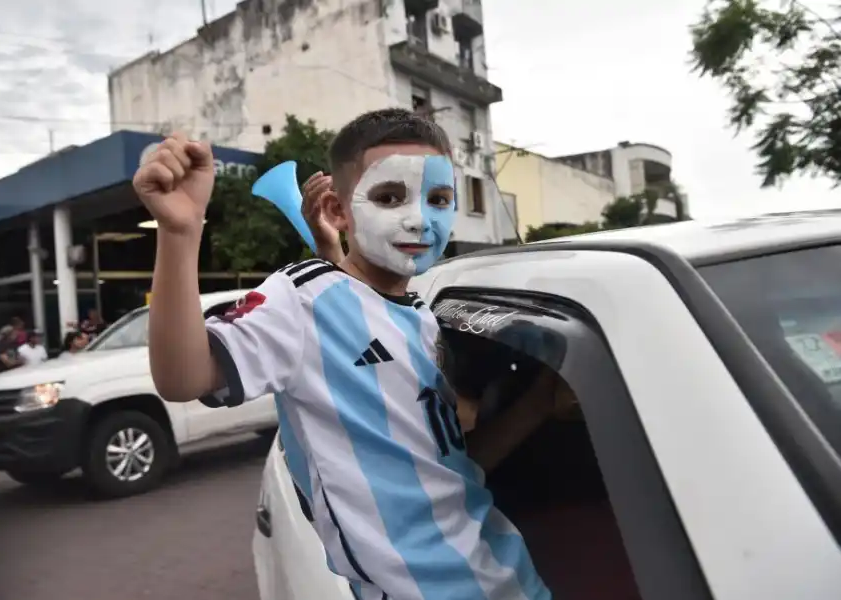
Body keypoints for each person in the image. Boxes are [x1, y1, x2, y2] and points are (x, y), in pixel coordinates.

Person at [135, 109, 561, 600]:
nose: (419, 218)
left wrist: (539, 402)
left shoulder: (422, 316)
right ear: (338, 210)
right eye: (389, 197)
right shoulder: (301, 297)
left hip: (514, 579)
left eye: (439, 199)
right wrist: (181, 233)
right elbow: (184, 377)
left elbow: (447, 472)